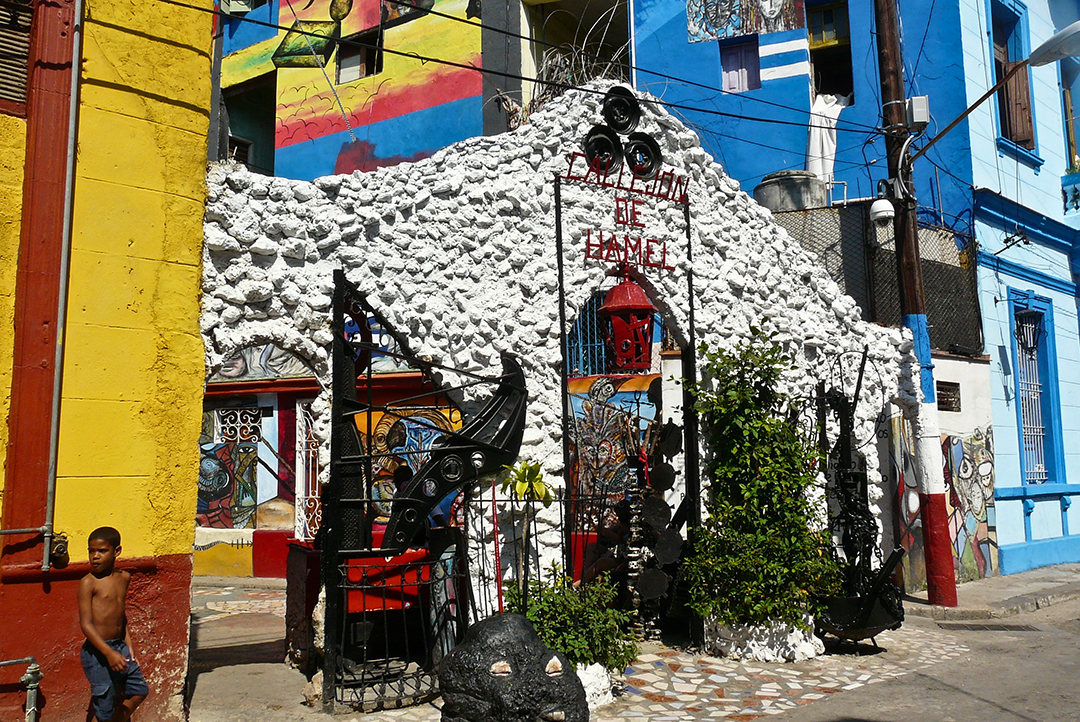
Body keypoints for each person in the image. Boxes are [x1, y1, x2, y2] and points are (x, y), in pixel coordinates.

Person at [78, 527, 148, 722]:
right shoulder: (88, 583)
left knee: (139, 690)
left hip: (120, 647)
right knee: (104, 708)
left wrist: (129, 644)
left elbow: (120, 615)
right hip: (97, 652)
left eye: (102, 551)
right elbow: (86, 625)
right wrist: (108, 653)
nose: (95, 556)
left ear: (117, 551)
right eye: (91, 551)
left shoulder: (124, 578)